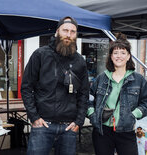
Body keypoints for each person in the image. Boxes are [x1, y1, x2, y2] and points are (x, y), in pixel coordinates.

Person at [21, 16, 89, 155]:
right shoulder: (40, 54)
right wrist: (34, 117)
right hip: (42, 125)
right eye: (65, 30)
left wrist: (79, 122)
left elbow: (84, 93)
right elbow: (26, 87)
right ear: (57, 31)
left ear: (76, 35)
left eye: (72, 32)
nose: (68, 35)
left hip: (68, 128)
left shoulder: (79, 61)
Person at [87, 33, 147, 155]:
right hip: (102, 131)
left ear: (128, 56)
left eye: (123, 53)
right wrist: (92, 115)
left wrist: (133, 115)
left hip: (126, 131)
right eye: (115, 53)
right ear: (111, 56)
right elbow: (88, 99)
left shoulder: (138, 80)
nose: (119, 56)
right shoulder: (102, 78)